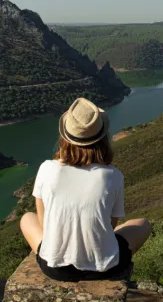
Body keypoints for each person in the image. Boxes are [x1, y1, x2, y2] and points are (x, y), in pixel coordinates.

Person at [20, 97, 151, 281]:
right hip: (103, 267)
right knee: (143, 224)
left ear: (65, 137)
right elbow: (111, 226)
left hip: (55, 269)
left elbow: (44, 224)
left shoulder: (46, 168)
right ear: (102, 138)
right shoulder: (113, 175)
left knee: (27, 218)